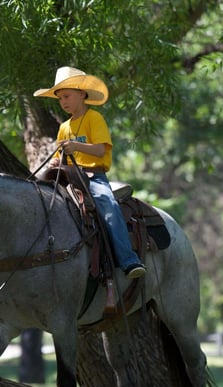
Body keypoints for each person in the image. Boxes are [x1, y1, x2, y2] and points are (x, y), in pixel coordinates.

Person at [34, 66, 146, 279]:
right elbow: (61, 156)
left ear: (81, 94)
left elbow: (101, 150)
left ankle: (129, 260)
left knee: (108, 204)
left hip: (93, 177)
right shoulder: (64, 127)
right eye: (60, 98)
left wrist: (76, 146)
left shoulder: (94, 118)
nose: (63, 102)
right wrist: (56, 161)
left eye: (67, 96)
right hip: (68, 177)